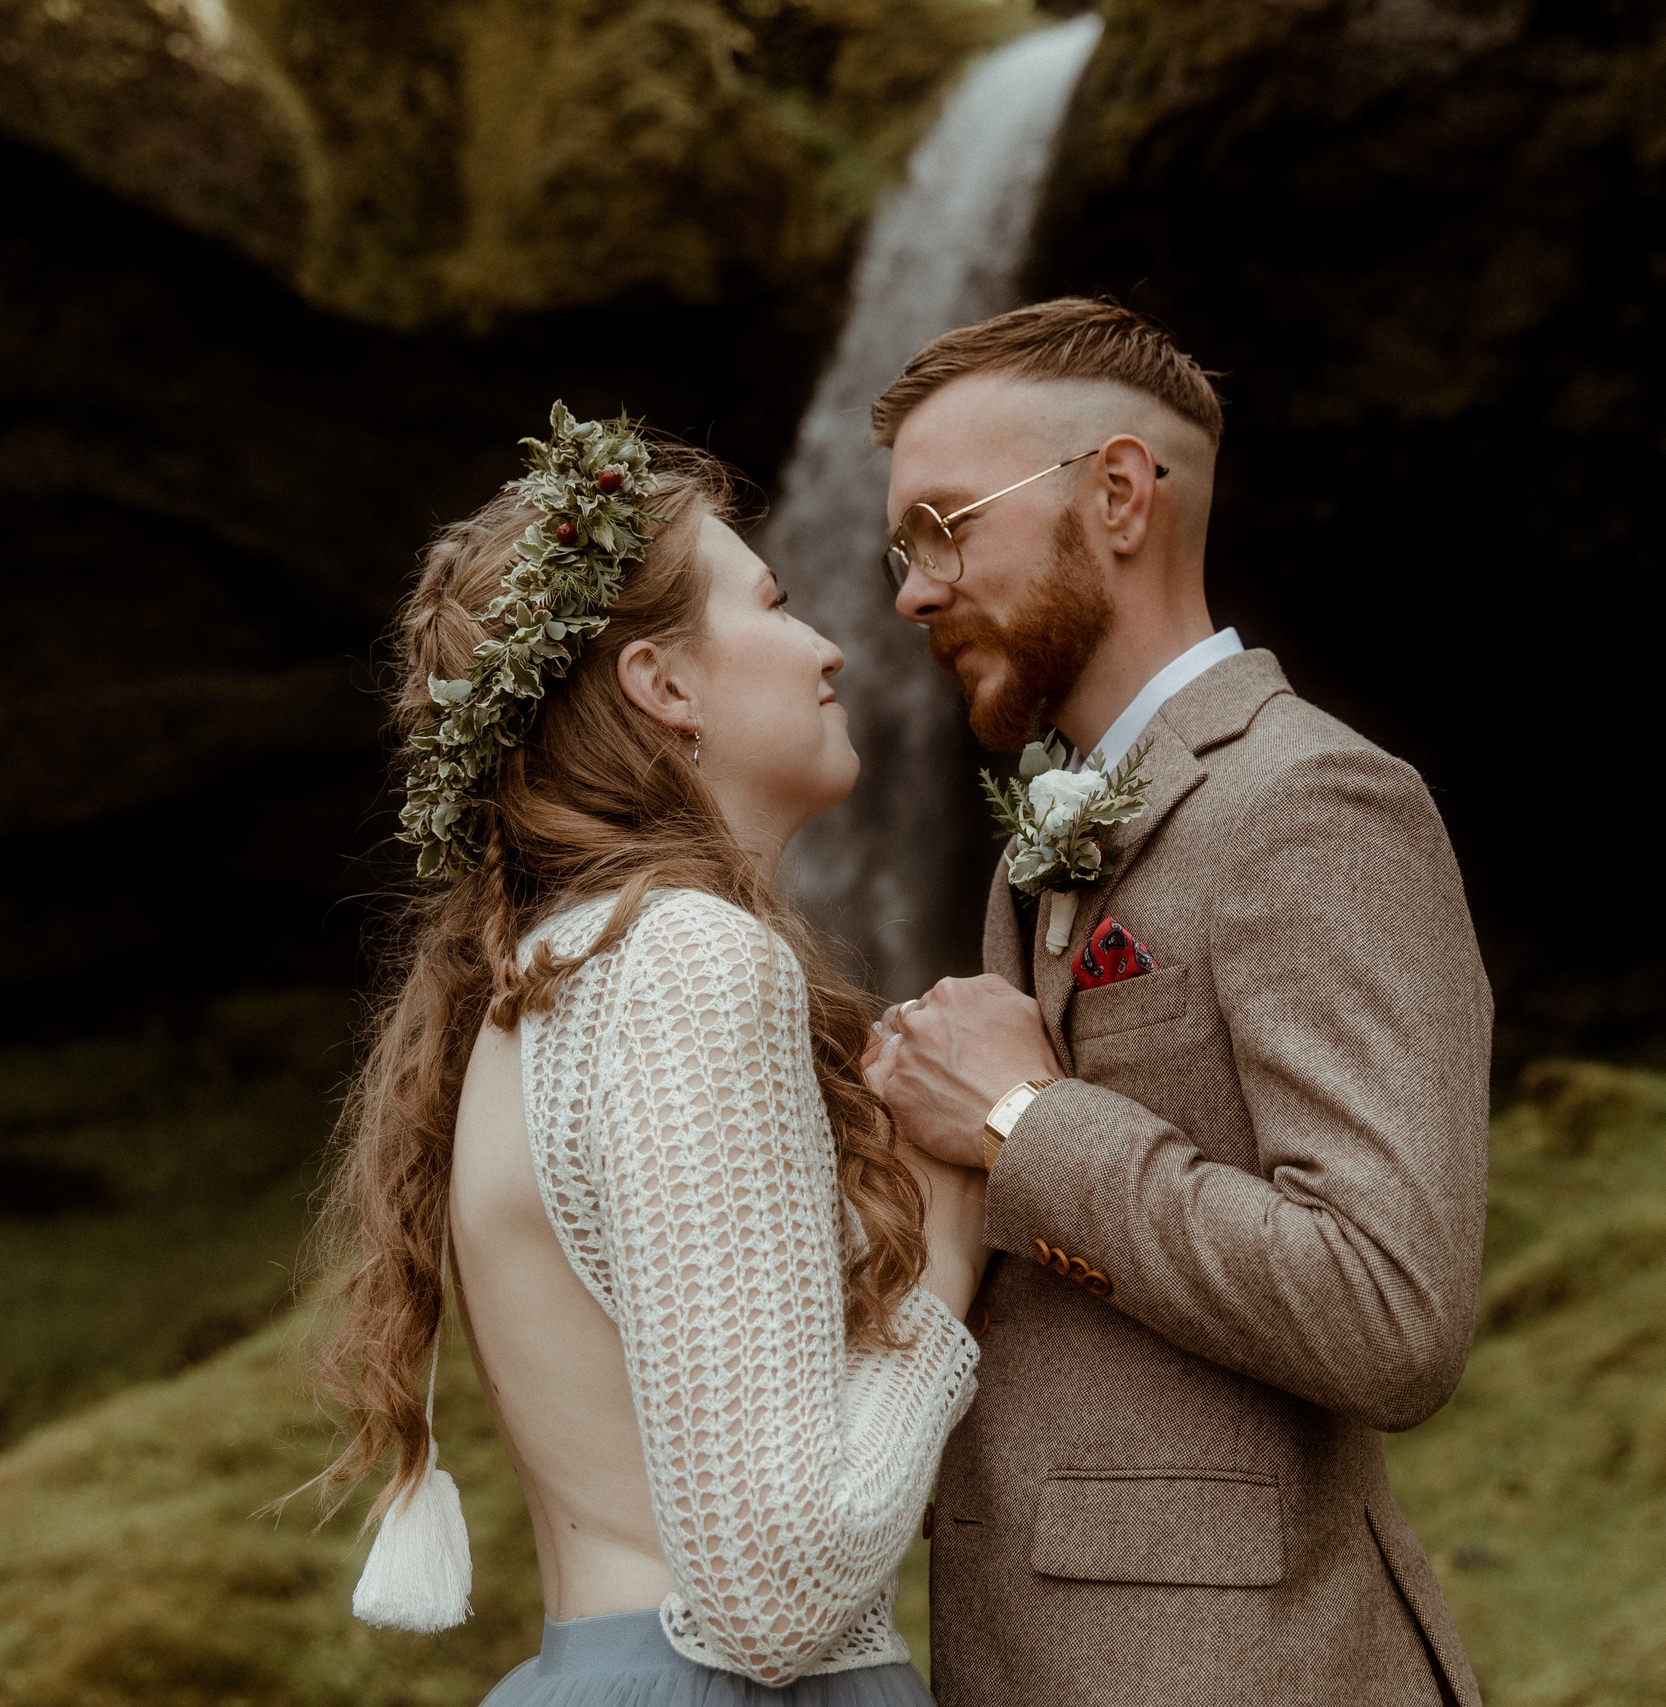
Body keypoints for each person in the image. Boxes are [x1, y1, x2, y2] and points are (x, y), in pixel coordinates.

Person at [301, 406, 991, 1704]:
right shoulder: (685, 961)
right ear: (664, 685)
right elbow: (777, 1600)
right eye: (775, 604)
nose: (833, 647)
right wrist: (951, 1235)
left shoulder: (548, 978)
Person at [864, 300, 1495, 1706]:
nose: (912, 589)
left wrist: (1027, 1123)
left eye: (948, 525)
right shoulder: (1046, 824)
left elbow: (1393, 1311)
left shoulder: (1313, 803)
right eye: (903, 547)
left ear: (1119, 495)